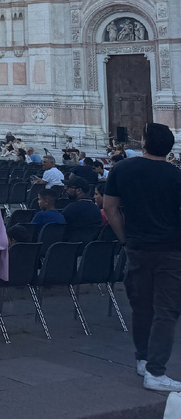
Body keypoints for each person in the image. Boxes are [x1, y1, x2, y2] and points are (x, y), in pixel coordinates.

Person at [105, 122, 181, 392]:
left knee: (142, 306)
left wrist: (125, 238)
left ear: (144, 143)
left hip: (136, 247)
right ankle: (156, 372)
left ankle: (144, 359)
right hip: (171, 250)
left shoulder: (122, 169)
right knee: (167, 310)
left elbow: (110, 208)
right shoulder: (176, 176)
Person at [61, 176, 103, 241]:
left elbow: (60, 225)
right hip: (89, 247)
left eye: (68, 187)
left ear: (78, 190)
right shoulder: (96, 209)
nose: (66, 189)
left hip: (71, 246)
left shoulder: (72, 208)